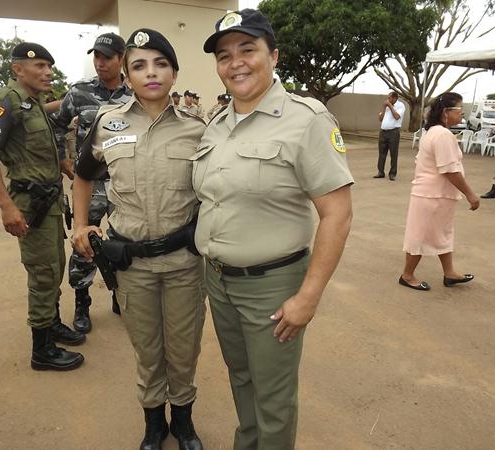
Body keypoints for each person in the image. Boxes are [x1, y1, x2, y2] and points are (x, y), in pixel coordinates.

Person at [196, 9, 354, 450]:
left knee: (274, 396)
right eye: (224, 55)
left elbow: (338, 215)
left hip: (271, 286)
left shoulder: (307, 119)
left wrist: (308, 297)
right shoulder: (217, 124)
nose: (236, 63)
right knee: (241, 378)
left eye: (248, 50)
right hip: (219, 280)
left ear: (274, 56)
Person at [72, 29, 206, 450]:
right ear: (127, 76)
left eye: (160, 64)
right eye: (139, 65)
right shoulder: (107, 123)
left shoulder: (199, 129)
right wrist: (80, 225)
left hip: (184, 263)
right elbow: (83, 176)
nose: (151, 73)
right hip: (132, 264)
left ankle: (182, 421)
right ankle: (153, 424)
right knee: (147, 349)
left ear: (174, 73)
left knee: (183, 349)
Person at [0, 42, 85, 371]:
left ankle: (51, 323)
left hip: (49, 201)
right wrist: (6, 206)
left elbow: (40, 129)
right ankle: (42, 350)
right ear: (18, 69)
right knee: (43, 272)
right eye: (40, 66)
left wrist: (64, 162)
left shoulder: (32, 101)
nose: (48, 72)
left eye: (49, 66)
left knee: (55, 265)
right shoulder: (4, 100)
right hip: (30, 202)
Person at [52, 32, 132, 333]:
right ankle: (82, 302)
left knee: (126, 240)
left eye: (107, 57)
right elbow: (57, 125)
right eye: (96, 56)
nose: (100, 62)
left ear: (121, 59)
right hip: (92, 182)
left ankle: (120, 295)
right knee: (85, 242)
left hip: (126, 183)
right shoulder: (79, 92)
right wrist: (63, 159)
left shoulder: (135, 93)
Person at [399, 92, 479, 291]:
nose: (462, 113)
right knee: (420, 235)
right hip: (432, 196)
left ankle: (449, 273)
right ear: (445, 112)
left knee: (443, 233)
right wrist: (470, 194)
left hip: (437, 195)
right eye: (459, 109)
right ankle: (407, 275)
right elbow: (450, 170)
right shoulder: (442, 135)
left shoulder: (433, 132)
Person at [374, 91, 405, 181]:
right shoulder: (386, 106)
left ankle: (392, 174)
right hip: (383, 132)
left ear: (395, 98)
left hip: (393, 132)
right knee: (382, 153)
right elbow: (380, 119)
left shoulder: (401, 106)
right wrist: (384, 108)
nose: (388, 99)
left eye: (389, 98)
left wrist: (390, 106)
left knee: (393, 154)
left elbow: (397, 117)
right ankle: (380, 172)